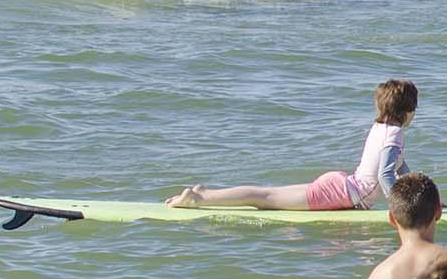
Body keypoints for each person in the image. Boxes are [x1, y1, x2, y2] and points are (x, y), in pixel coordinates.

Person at [166, 79, 416, 211]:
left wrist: (421, 199)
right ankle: (201, 198)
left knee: (267, 196)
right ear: (407, 111)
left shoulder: (381, 129)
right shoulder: (394, 134)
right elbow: (385, 174)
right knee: (265, 197)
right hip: (342, 193)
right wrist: (404, 210)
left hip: (342, 187)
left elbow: (401, 169)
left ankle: (202, 194)